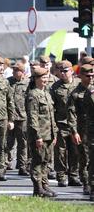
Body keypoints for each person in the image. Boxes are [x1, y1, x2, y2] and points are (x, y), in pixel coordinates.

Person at [26, 67, 58, 197]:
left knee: (46, 161)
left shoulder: (46, 93)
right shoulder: (33, 95)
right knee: (38, 161)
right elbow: (33, 117)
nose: (45, 80)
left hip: (49, 134)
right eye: (42, 78)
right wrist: (37, 136)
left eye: (46, 77)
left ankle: (45, 186)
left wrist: (54, 134)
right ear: (36, 79)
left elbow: (51, 117)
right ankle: (38, 188)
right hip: (39, 135)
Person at [50, 60, 81, 187]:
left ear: (72, 71)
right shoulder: (55, 87)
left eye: (65, 71)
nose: (62, 73)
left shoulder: (79, 85)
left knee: (75, 152)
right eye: (60, 71)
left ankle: (73, 176)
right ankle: (61, 177)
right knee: (60, 153)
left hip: (77, 125)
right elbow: (51, 108)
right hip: (61, 124)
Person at [67, 64, 94, 195]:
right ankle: (86, 183)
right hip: (82, 129)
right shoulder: (75, 93)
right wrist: (74, 131)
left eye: (92, 75)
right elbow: (71, 114)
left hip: (92, 129)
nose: (90, 78)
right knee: (84, 157)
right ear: (81, 76)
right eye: (87, 76)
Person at [6, 62, 29, 176]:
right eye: (13, 70)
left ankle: (22, 165)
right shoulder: (8, 81)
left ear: (22, 72)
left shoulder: (28, 83)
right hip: (10, 117)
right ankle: (6, 163)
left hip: (22, 117)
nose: (14, 72)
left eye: (16, 70)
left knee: (22, 143)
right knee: (8, 142)